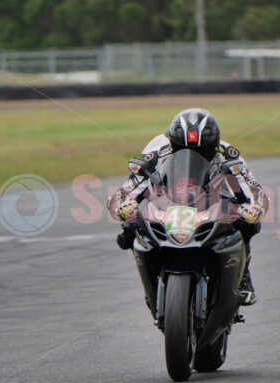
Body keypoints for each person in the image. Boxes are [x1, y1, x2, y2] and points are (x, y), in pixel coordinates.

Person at [108, 108, 268, 305]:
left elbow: (254, 189)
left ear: (213, 145)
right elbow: (130, 186)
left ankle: (243, 276)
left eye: (201, 150)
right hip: (166, 198)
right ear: (173, 143)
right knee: (131, 226)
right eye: (183, 148)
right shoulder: (157, 148)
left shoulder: (227, 154)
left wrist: (254, 207)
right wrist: (124, 206)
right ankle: (151, 277)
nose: (192, 154)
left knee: (249, 223)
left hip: (212, 200)